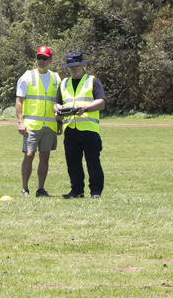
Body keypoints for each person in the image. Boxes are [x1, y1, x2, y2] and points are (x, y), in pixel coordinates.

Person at [55, 51, 107, 199]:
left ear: (83, 65)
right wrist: (57, 110)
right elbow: (57, 102)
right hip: (70, 128)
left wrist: (85, 108)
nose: (73, 69)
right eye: (71, 67)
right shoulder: (64, 83)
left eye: (76, 66)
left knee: (93, 161)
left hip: (89, 129)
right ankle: (76, 191)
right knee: (73, 162)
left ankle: (96, 191)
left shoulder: (92, 81)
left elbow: (101, 102)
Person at [14, 46, 61, 197]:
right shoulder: (27, 76)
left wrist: (60, 123)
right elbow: (19, 100)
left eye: (44, 58)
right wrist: (20, 122)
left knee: (45, 156)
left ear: (50, 60)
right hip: (31, 125)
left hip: (50, 125)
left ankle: (41, 189)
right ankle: (24, 188)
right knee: (29, 155)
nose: (41, 61)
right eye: (39, 58)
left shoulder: (56, 78)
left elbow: (59, 102)